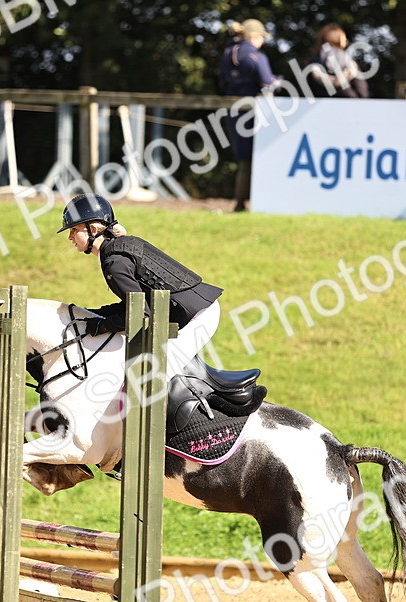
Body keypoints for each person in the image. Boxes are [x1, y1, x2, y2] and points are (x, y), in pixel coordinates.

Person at [56, 193, 222, 379]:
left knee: (154, 376)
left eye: (73, 230)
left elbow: (140, 314)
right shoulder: (115, 251)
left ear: (93, 229)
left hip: (198, 316)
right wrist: (93, 314)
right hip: (195, 309)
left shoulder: (114, 262)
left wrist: (100, 325)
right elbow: (135, 304)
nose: (70, 237)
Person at [219, 18, 280, 212]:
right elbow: (267, 83)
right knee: (260, 156)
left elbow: (223, 83)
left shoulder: (227, 54)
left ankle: (240, 201)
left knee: (243, 157)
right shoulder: (256, 56)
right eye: (262, 37)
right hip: (255, 112)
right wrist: (279, 82)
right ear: (254, 36)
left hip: (232, 109)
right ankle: (253, 202)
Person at [310, 23, 368, 98]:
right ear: (340, 40)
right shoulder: (349, 62)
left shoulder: (312, 63)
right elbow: (362, 92)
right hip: (348, 104)